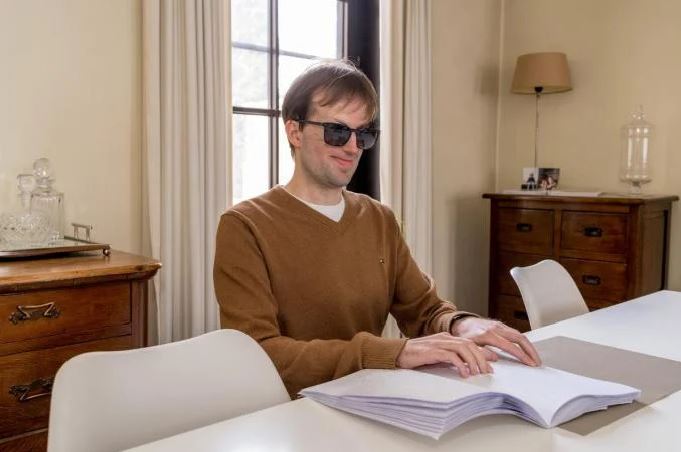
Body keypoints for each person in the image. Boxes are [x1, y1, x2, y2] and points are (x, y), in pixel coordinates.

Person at [214, 59, 541, 398]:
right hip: (290, 410)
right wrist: (392, 353)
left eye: (364, 134)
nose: (353, 148)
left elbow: (423, 310)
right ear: (294, 131)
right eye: (337, 131)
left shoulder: (377, 218)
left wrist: (460, 324)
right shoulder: (244, 226)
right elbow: (258, 352)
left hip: (372, 398)